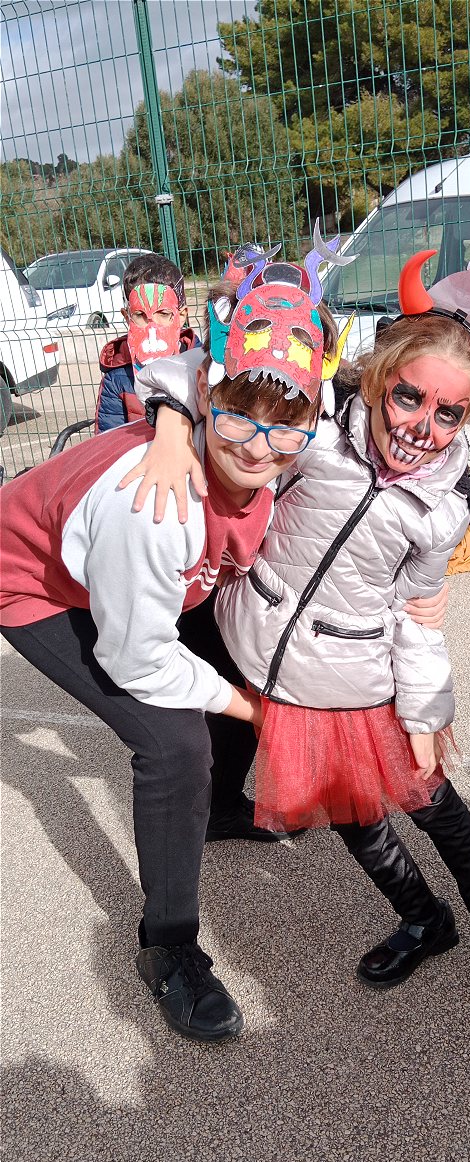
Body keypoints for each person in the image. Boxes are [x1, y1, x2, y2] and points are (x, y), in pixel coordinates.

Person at [135, 248, 470, 1024]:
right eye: (409, 396)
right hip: (270, 656)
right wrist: (171, 427)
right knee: (350, 811)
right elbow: (202, 373)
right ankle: (424, 919)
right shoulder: (313, 429)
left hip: (361, 675)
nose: (420, 427)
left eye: (448, 413)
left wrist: (424, 715)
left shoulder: (441, 510)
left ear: (469, 416)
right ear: (380, 377)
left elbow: (418, 617)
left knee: (430, 803)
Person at [0, 236, 356, 1044]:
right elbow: (138, 658)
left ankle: (222, 811)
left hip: (131, 562)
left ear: (314, 415)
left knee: (236, 651)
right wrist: (252, 711)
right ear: (205, 391)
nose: (258, 443)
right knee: (173, 745)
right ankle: (167, 947)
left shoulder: (274, 430)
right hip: (32, 579)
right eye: (236, 413)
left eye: (286, 423)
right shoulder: (154, 508)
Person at [94, 253, 201, 434]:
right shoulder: (117, 379)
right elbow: (109, 440)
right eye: (140, 315)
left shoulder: (203, 368)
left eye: (164, 314)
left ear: (181, 315)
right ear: (127, 317)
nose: (152, 329)